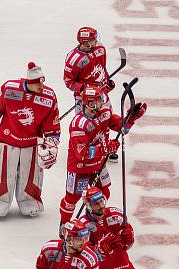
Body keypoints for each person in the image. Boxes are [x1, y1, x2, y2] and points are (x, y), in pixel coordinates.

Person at [0, 62, 61, 218]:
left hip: (31, 143)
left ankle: (30, 200)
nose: (42, 87)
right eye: (38, 84)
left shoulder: (49, 96)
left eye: (43, 82)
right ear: (29, 82)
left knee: (30, 176)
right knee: (2, 174)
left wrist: (51, 143)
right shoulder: (9, 89)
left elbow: (52, 126)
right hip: (7, 140)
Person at [59, 85, 145, 225]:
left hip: (99, 163)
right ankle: (64, 224)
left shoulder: (104, 112)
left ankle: (92, 216)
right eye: (99, 100)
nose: (103, 102)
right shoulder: (79, 124)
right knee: (71, 199)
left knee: (104, 192)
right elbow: (82, 154)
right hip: (80, 167)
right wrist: (105, 148)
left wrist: (130, 118)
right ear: (91, 104)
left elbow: (121, 128)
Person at [63, 26, 114, 107]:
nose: (96, 41)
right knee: (86, 119)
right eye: (93, 39)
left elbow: (103, 68)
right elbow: (69, 81)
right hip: (85, 98)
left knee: (107, 117)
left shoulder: (100, 49)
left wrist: (106, 84)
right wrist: (83, 89)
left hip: (101, 94)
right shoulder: (74, 59)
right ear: (86, 43)